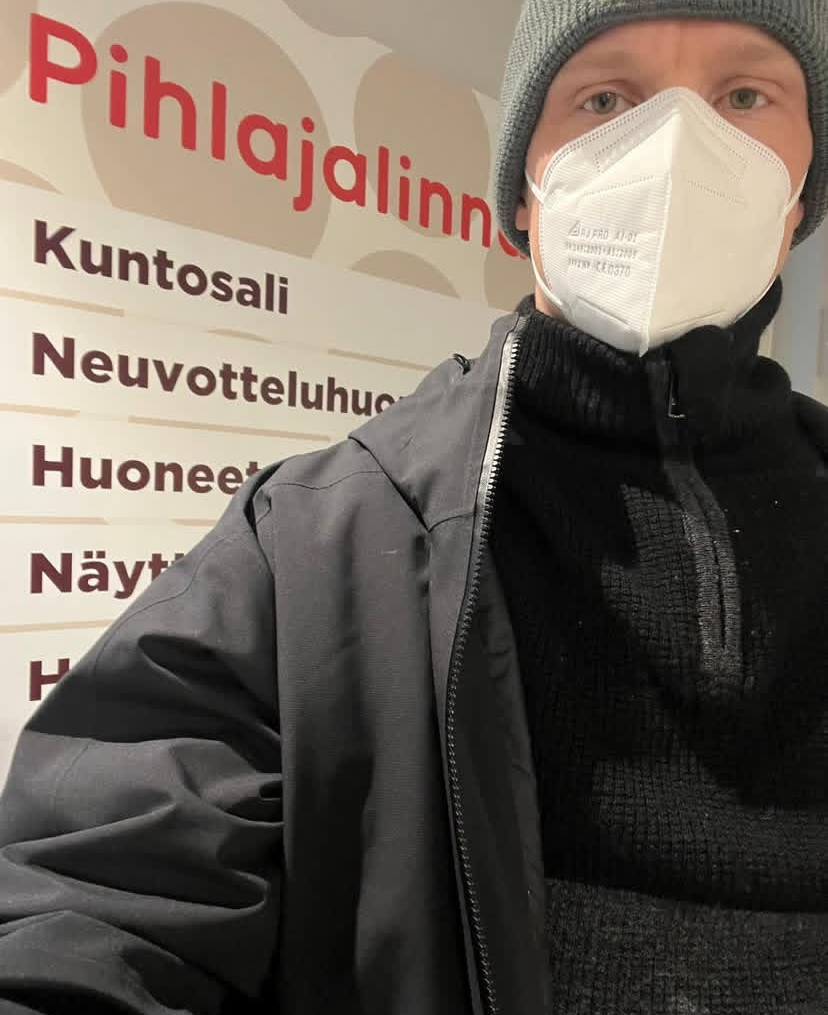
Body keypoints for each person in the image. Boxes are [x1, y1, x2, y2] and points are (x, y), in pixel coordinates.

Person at [0, 0, 826, 1012]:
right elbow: (101, 902)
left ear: (800, 193)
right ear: (524, 195)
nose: (676, 143)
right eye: (606, 100)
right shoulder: (316, 540)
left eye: (744, 96)